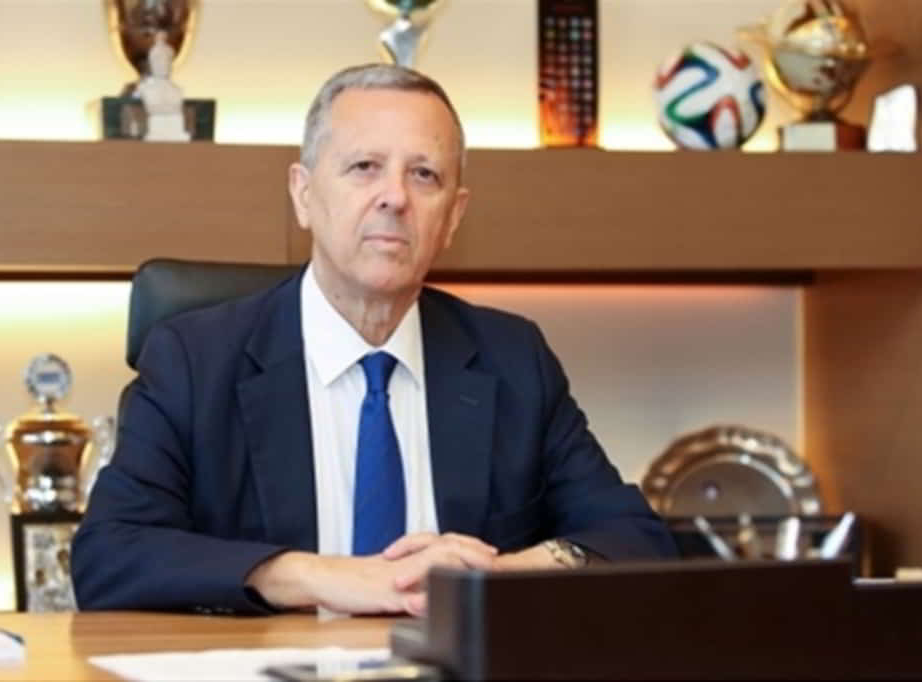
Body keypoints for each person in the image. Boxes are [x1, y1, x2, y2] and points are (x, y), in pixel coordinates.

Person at [71, 63, 677, 617]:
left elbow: (637, 540)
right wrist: (313, 576)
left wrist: (493, 578)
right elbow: (110, 555)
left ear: (453, 216)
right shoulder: (195, 360)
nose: (395, 197)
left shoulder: (513, 359)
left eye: (424, 174)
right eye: (364, 167)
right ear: (304, 194)